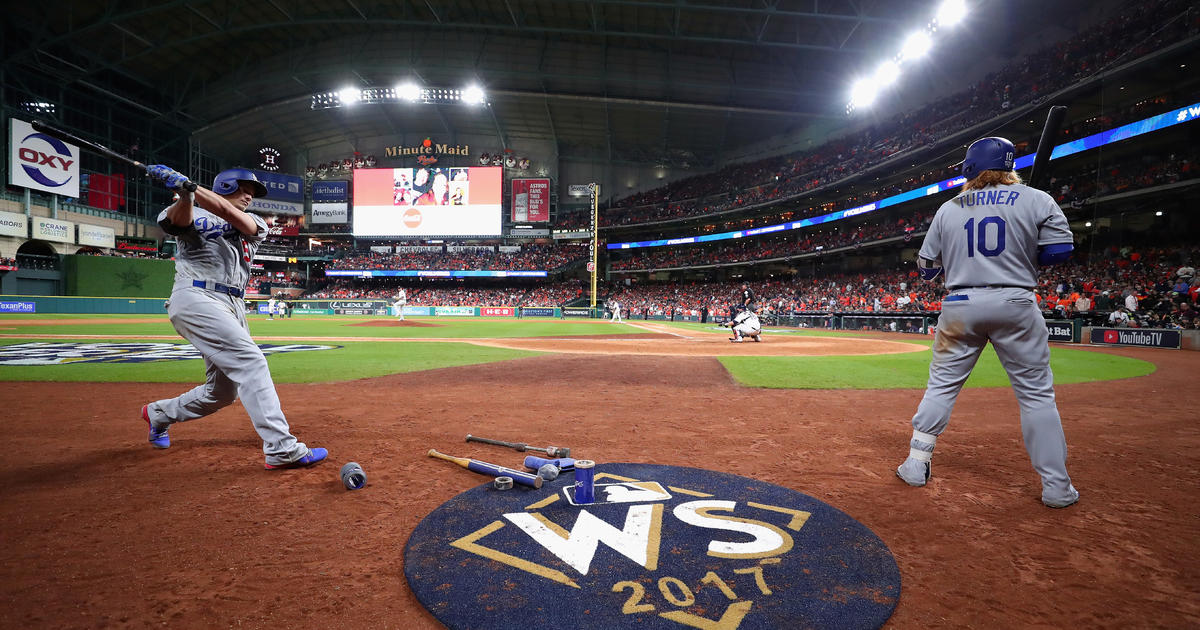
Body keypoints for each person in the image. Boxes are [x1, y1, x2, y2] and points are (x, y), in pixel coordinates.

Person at [895, 137, 1078, 508]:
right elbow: (1060, 250)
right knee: (1036, 396)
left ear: (968, 169)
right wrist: (1025, 248)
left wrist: (959, 258)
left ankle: (916, 464)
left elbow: (927, 270)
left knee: (941, 387)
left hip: (961, 304)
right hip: (1015, 301)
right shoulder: (1037, 198)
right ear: (1011, 167)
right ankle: (1056, 488)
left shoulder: (949, 208)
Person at [139, 165, 327, 469]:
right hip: (196, 296)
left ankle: (159, 413)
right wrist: (186, 195)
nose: (249, 197)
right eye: (244, 189)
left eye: (252, 193)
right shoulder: (184, 210)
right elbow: (177, 222)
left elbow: (228, 213)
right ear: (225, 186)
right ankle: (281, 449)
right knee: (251, 361)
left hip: (234, 303)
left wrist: (191, 187)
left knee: (221, 393)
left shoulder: (254, 222)